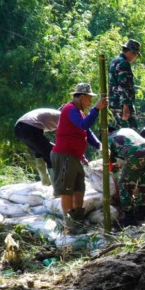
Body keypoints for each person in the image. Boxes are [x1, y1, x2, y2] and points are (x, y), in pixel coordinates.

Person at [51, 83, 107, 232]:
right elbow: (83, 125)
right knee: (67, 190)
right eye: (89, 99)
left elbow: (87, 132)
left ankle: (78, 221)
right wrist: (96, 109)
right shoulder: (69, 109)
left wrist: (99, 145)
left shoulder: (79, 112)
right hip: (64, 155)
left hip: (75, 157)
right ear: (82, 97)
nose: (89, 103)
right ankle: (68, 224)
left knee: (79, 188)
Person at [108, 127, 145, 227]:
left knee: (125, 184)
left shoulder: (108, 140)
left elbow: (114, 168)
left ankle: (129, 218)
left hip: (135, 154)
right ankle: (141, 212)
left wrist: (118, 190)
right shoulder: (127, 131)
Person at [14, 108, 60, 185]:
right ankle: (57, 187)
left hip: (18, 129)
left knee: (39, 152)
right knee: (51, 154)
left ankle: (45, 182)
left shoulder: (53, 114)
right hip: (30, 127)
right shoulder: (64, 117)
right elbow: (63, 138)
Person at [108, 39, 141, 129]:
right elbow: (123, 86)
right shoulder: (124, 64)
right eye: (135, 54)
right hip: (122, 104)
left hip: (114, 102)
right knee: (130, 133)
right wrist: (126, 106)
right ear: (131, 52)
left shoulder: (114, 61)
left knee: (119, 131)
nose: (135, 57)